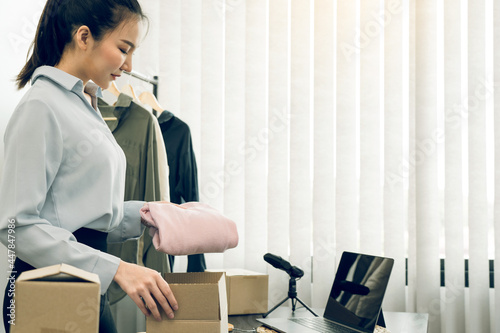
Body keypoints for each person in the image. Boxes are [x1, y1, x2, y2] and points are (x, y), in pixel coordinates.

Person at [0, 0, 178, 332]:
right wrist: (120, 269)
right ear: (84, 37)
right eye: (124, 49)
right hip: (46, 293)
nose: (127, 66)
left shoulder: (84, 104)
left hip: (83, 284)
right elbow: (16, 228)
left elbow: (84, 217)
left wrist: (148, 214)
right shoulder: (41, 106)